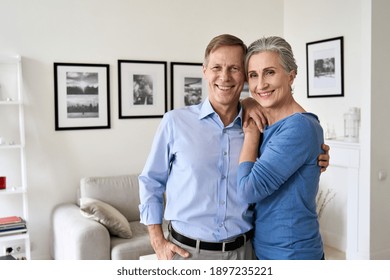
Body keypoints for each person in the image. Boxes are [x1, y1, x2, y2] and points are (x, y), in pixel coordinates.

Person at [139, 34, 329, 260]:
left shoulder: (260, 126)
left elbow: (293, 147)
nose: (224, 77)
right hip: (187, 254)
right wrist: (157, 240)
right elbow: (151, 181)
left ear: (243, 78)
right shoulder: (175, 122)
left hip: (246, 253)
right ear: (205, 71)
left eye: (234, 69)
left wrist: (317, 156)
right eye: (217, 67)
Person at [237, 36, 325, 260]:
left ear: (291, 75)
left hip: (292, 254)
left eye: (270, 72)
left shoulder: (299, 127)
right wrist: (247, 102)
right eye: (253, 75)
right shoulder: (269, 122)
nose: (260, 84)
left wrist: (251, 134)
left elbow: (248, 190)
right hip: (264, 248)